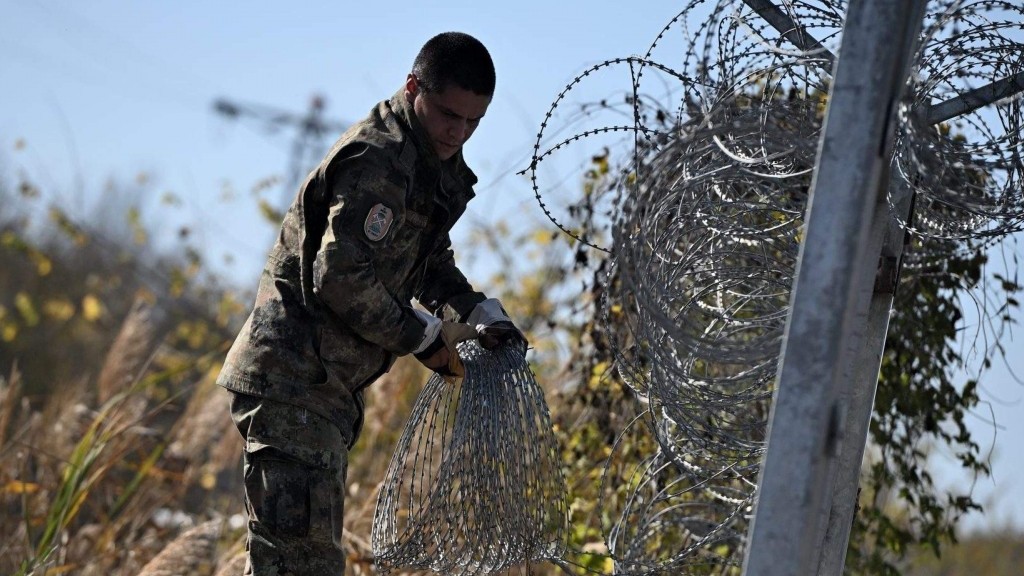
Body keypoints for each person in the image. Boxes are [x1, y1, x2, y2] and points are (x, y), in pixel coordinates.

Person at [216, 32, 525, 575]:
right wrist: (422, 338)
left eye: (473, 122)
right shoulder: (379, 159)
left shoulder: (428, 160)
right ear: (413, 88)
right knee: (302, 566)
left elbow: (426, 261)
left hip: (323, 391)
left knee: (292, 564)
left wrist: (477, 313)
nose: (458, 132)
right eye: (449, 114)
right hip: (293, 382)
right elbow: (339, 276)